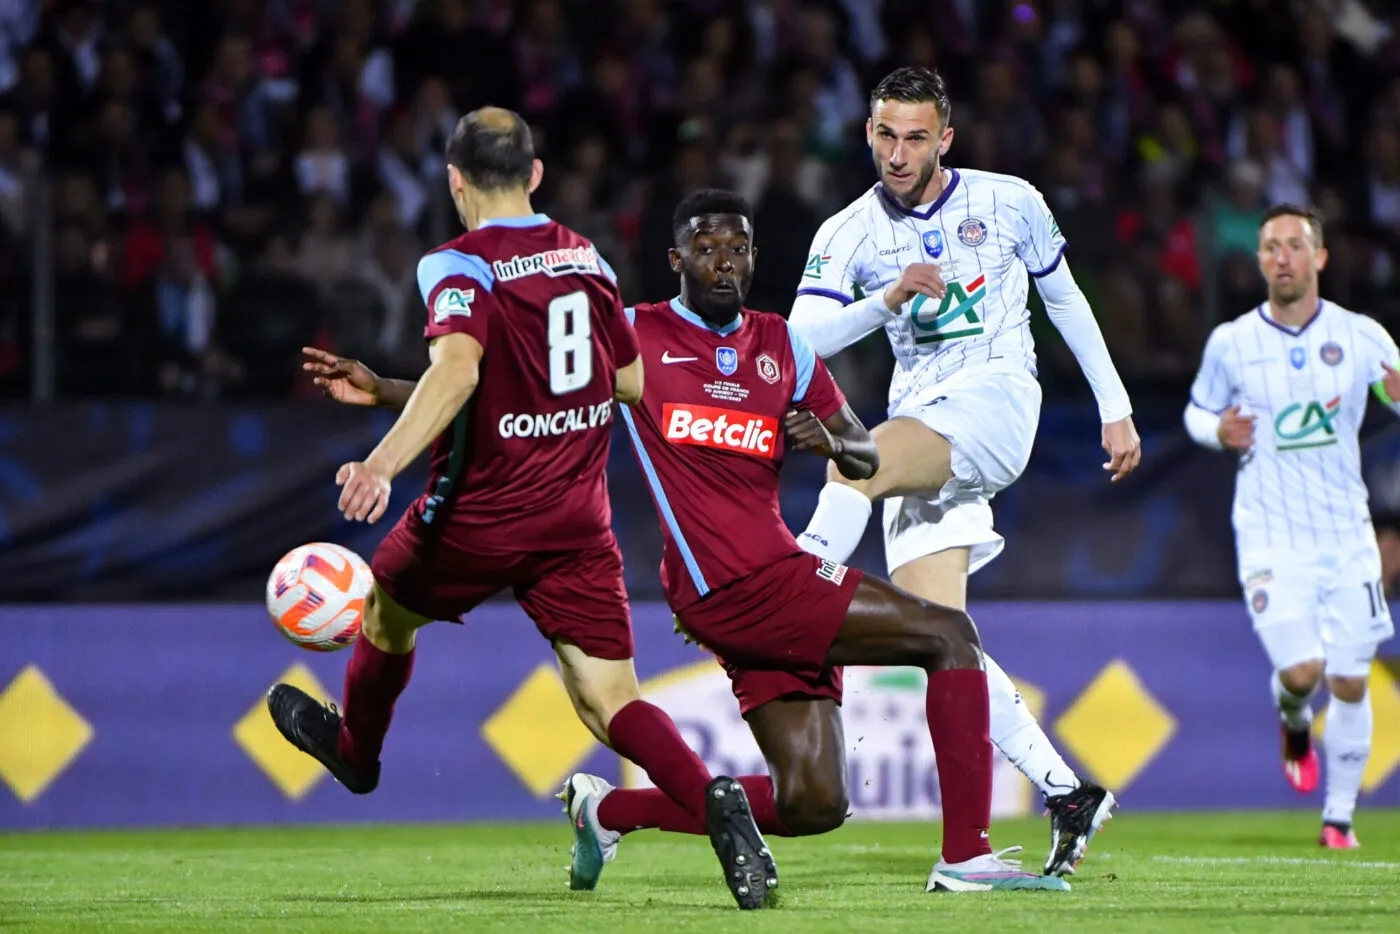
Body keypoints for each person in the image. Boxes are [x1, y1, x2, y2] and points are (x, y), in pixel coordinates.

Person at [307, 189, 1069, 896]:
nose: (724, 261)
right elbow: (511, 395)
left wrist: (834, 447)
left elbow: (864, 451)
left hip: (769, 577)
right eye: (706, 248)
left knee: (813, 802)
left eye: (737, 248)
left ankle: (609, 815)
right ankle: (966, 856)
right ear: (677, 261)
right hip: (736, 585)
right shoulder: (635, 336)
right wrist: (386, 392)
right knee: (948, 633)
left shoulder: (783, 346)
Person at [265, 108, 773, 911]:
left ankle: (358, 754)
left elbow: (462, 371)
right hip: (576, 520)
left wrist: (380, 461)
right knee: (614, 704)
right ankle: (718, 805)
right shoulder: (588, 258)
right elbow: (629, 384)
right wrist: (398, 389)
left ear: (454, 180)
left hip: (476, 516)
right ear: (536, 175)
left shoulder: (454, 266)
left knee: (384, 619)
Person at [785, 65, 1134, 875]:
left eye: (915, 138)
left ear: (945, 138)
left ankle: (796, 588)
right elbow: (803, 345)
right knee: (940, 638)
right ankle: (1056, 794)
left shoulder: (1011, 201)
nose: (898, 154)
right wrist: (885, 303)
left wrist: (1114, 405)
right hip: (923, 416)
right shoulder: (846, 233)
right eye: (884, 135)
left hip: (996, 400)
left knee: (855, 457)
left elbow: (1066, 301)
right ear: (867, 132)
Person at [1183, 204, 1399, 849]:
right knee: (1304, 674)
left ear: (1320, 257)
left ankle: (1338, 820)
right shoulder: (1231, 342)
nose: (1282, 257)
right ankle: (1294, 718)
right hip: (1269, 534)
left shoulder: (1362, 336)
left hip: (1346, 532)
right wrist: (1218, 430)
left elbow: (1396, 392)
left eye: (1295, 245)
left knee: (1352, 676)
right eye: (1271, 247)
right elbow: (1197, 413)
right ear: (1259, 261)